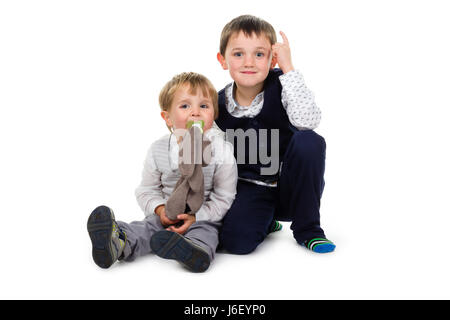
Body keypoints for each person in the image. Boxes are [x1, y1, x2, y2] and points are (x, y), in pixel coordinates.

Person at [87, 72, 237, 272]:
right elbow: (146, 190)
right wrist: (160, 210)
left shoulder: (222, 150)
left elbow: (224, 196)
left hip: (204, 217)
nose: (195, 112)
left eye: (204, 106)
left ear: (213, 115)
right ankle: (118, 241)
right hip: (167, 212)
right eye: (185, 106)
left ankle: (193, 251)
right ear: (167, 117)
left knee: (207, 233)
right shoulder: (158, 149)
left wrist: (197, 217)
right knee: (146, 228)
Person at [214, 14, 335, 254]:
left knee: (309, 140)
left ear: (272, 59)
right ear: (223, 60)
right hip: (251, 189)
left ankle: (308, 229)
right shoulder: (216, 104)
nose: (249, 62)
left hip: (291, 189)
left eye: (259, 54)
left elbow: (308, 120)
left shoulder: (283, 86)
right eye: (238, 54)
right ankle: (266, 221)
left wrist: (288, 68)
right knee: (236, 243)